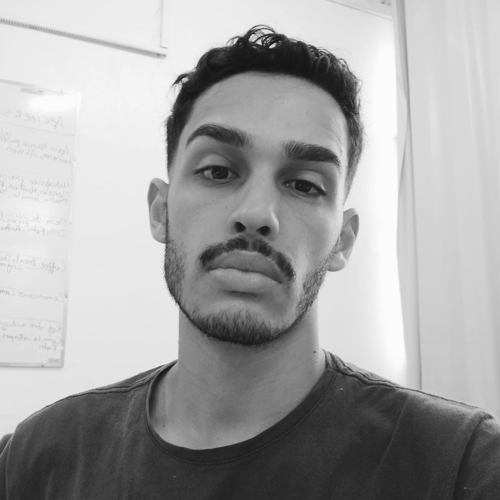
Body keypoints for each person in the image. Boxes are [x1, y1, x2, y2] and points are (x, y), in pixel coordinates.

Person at [1, 25, 499, 499]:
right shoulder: (38, 456)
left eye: (304, 185)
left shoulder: (462, 464)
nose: (257, 214)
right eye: (218, 171)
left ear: (343, 240)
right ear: (160, 211)